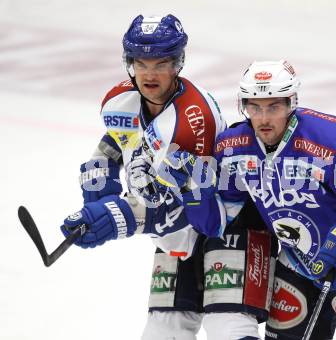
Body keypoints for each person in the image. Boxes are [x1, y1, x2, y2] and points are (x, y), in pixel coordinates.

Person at [158, 60, 336, 339]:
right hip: (298, 264)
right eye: (255, 107)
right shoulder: (234, 147)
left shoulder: (332, 139)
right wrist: (194, 192)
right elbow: (218, 223)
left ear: (291, 103)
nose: (264, 118)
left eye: (274, 107)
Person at [60, 14, 276, 340]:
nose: (149, 74)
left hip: (227, 221)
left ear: (178, 64)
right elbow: (117, 142)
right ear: (128, 62)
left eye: (161, 64)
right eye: (140, 63)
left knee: (228, 327)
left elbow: (187, 211)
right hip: (178, 232)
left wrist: (116, 217)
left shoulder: (191, 122)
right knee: (163, 329)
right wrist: (98, 182)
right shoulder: (121, 100)